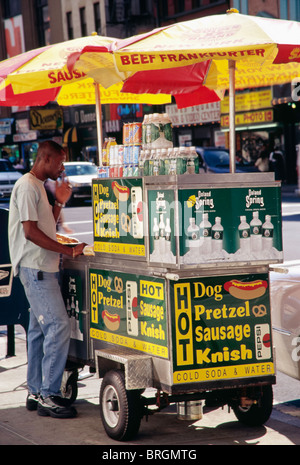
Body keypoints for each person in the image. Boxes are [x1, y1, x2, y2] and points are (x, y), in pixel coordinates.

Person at [8, 140, 85, 419]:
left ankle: (34, 389)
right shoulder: (28, 186)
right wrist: (68, 249)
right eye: (60, 162)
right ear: (46, 158)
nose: (62, 168)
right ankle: (49, 395)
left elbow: (47, 227)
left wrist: (60, 202)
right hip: (36, 268)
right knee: (58, 326)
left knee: (39, 332)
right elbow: (30, 232)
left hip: (41, 267)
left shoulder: (38, 186)